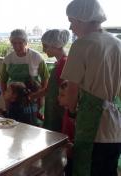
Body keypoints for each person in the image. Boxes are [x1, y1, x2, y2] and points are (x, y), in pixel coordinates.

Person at [61, 0, 121, 175]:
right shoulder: (117, 43)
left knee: (87, 169)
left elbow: (72, 88)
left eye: (72, 21)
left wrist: (71, 112)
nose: (71, 27)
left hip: (93, 126)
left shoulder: (82, 44)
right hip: (115, 125)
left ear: (83, 19)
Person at [0, 29, 49, 126]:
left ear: (26, 42)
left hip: (31, 98)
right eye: (14, 43)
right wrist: (6, 99)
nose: (17, 46)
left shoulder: (36, 57)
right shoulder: (8, 59)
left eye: (20, 43)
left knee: (30, 123)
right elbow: (3, 80)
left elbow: (45, 78)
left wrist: (40, 98)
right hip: (13, 98)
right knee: (14, 123)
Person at [41, 29, 70, 132]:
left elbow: (65, 93)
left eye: (45, 46)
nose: (44, 49)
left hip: (58, 112)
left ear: (55, 45)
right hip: (53, 109)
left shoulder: (64, 63)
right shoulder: (59, 63)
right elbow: (49, 89)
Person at [58, 81, 76, 176]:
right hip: (66, 151)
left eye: (62, 95)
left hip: (72, 152)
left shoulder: (75, 115)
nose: (58, 97)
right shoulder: (66, 111)